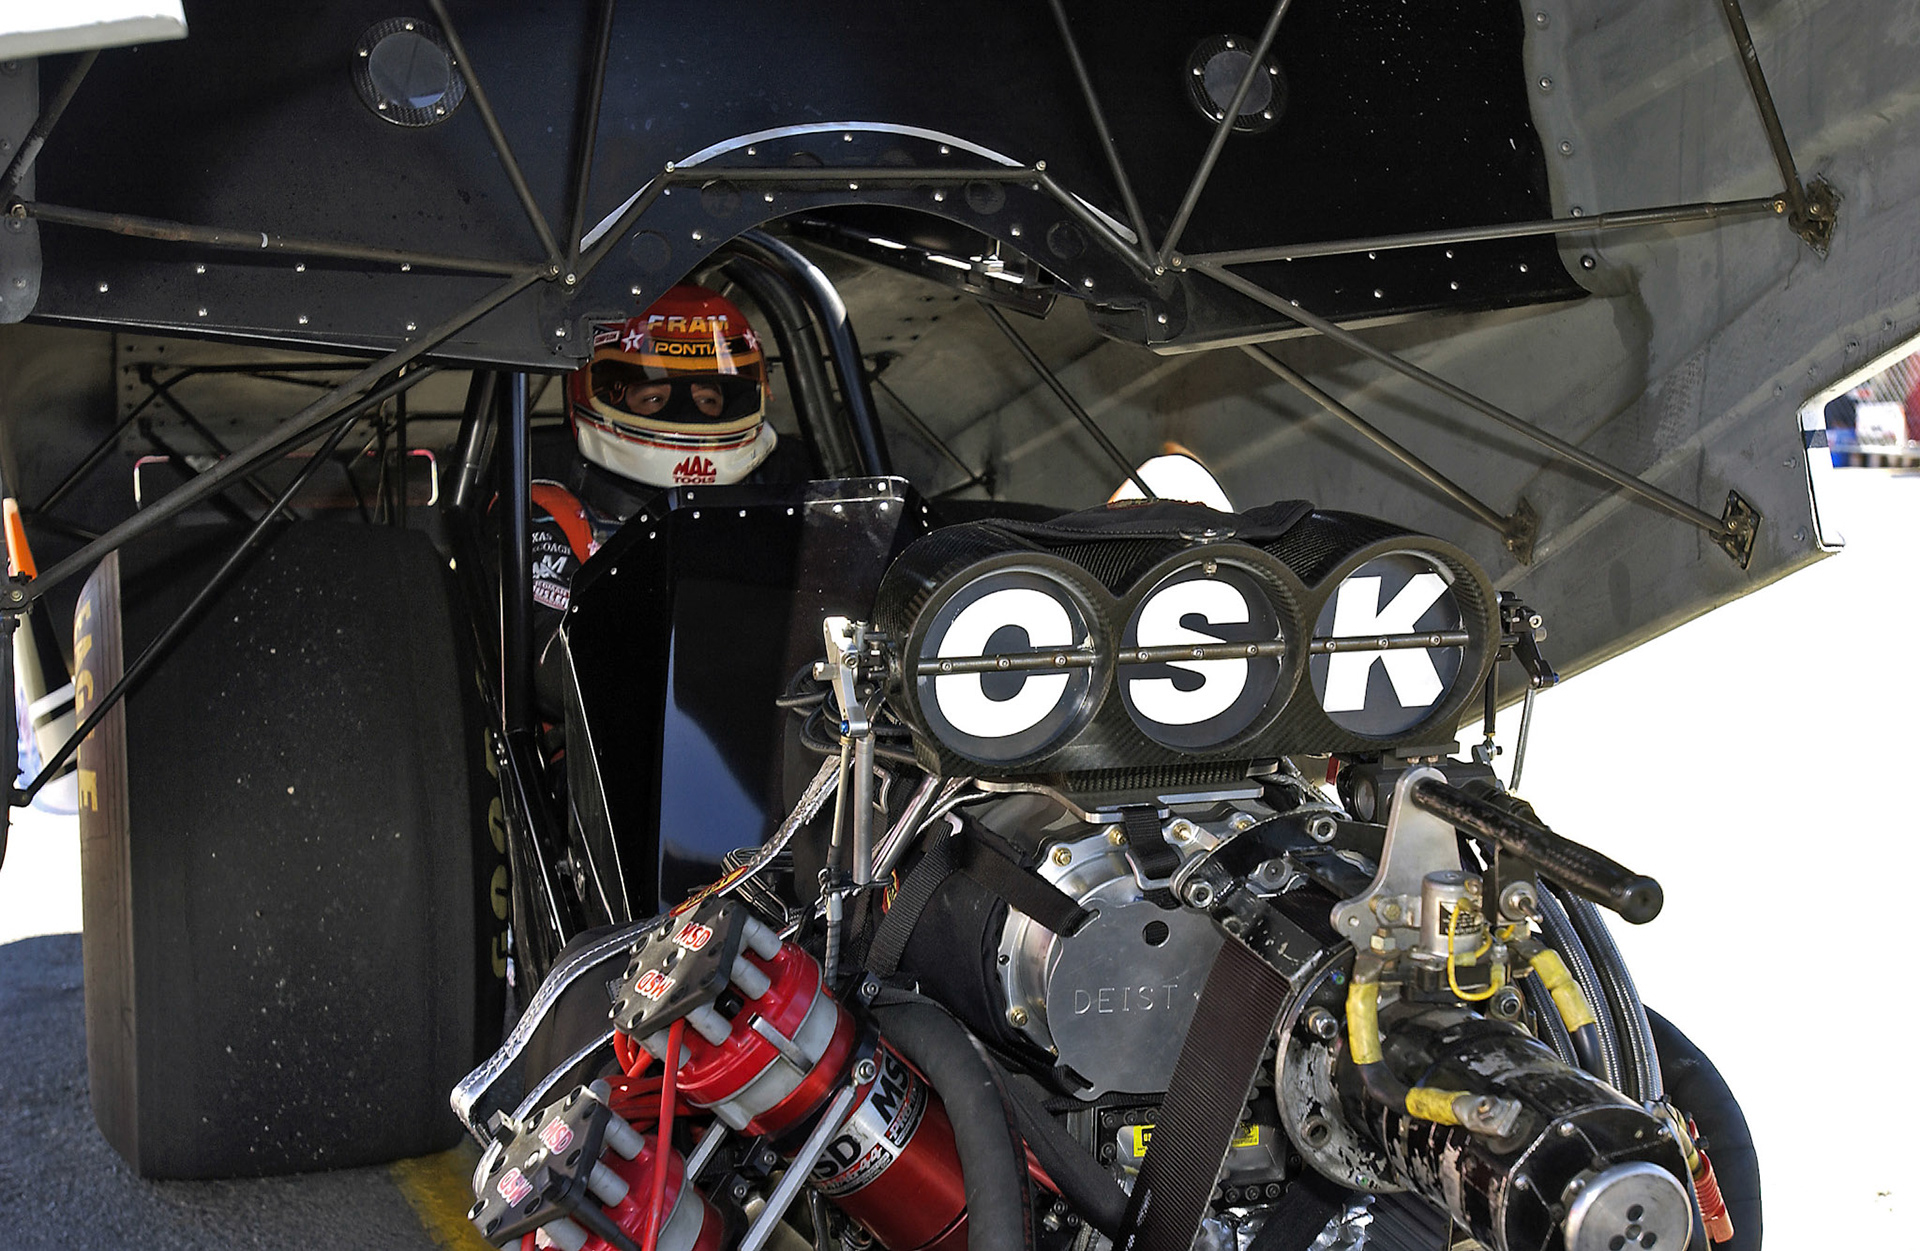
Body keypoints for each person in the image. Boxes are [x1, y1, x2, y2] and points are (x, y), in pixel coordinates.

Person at [528, 282, 782, 621]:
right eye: (654, 399)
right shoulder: (550, 518)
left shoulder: (778, 505)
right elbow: (554, 658)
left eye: (707, 400)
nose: (687, 416)